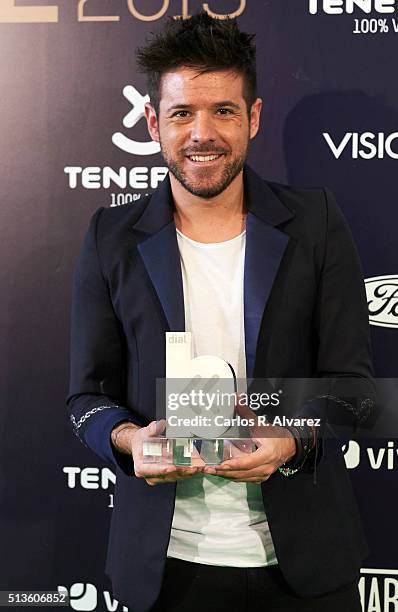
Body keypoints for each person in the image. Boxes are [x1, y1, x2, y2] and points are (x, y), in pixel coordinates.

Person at [67, 12, 375, 612]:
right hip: (166, 570)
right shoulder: (111, 237)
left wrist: (289, 441)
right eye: (182, 113)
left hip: (304, 566)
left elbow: (358, 390)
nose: (201, 133)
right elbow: (86, 398)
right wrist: (131, 440)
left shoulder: (317, 224)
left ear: (253, 118)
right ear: (154, 122)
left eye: (224, 111)